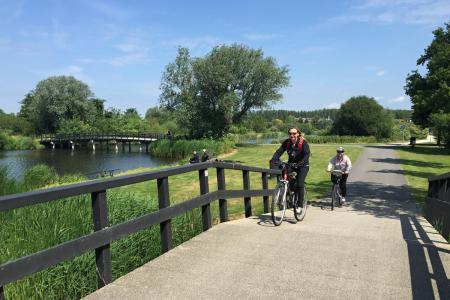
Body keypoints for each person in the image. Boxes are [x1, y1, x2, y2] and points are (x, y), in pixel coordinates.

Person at [270, 127, 310, 206]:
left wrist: (300, 163)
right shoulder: (287, 142)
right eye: (290, 133)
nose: (292, 135)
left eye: (294, 133)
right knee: (284, 173)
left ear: (298, 134)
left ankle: (300, 203)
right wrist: (274, 159)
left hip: (303, 165)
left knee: (300, 184)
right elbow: (279, 152)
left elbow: (306, 155)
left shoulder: (303, 143)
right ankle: (289, 190)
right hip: (291, 164)